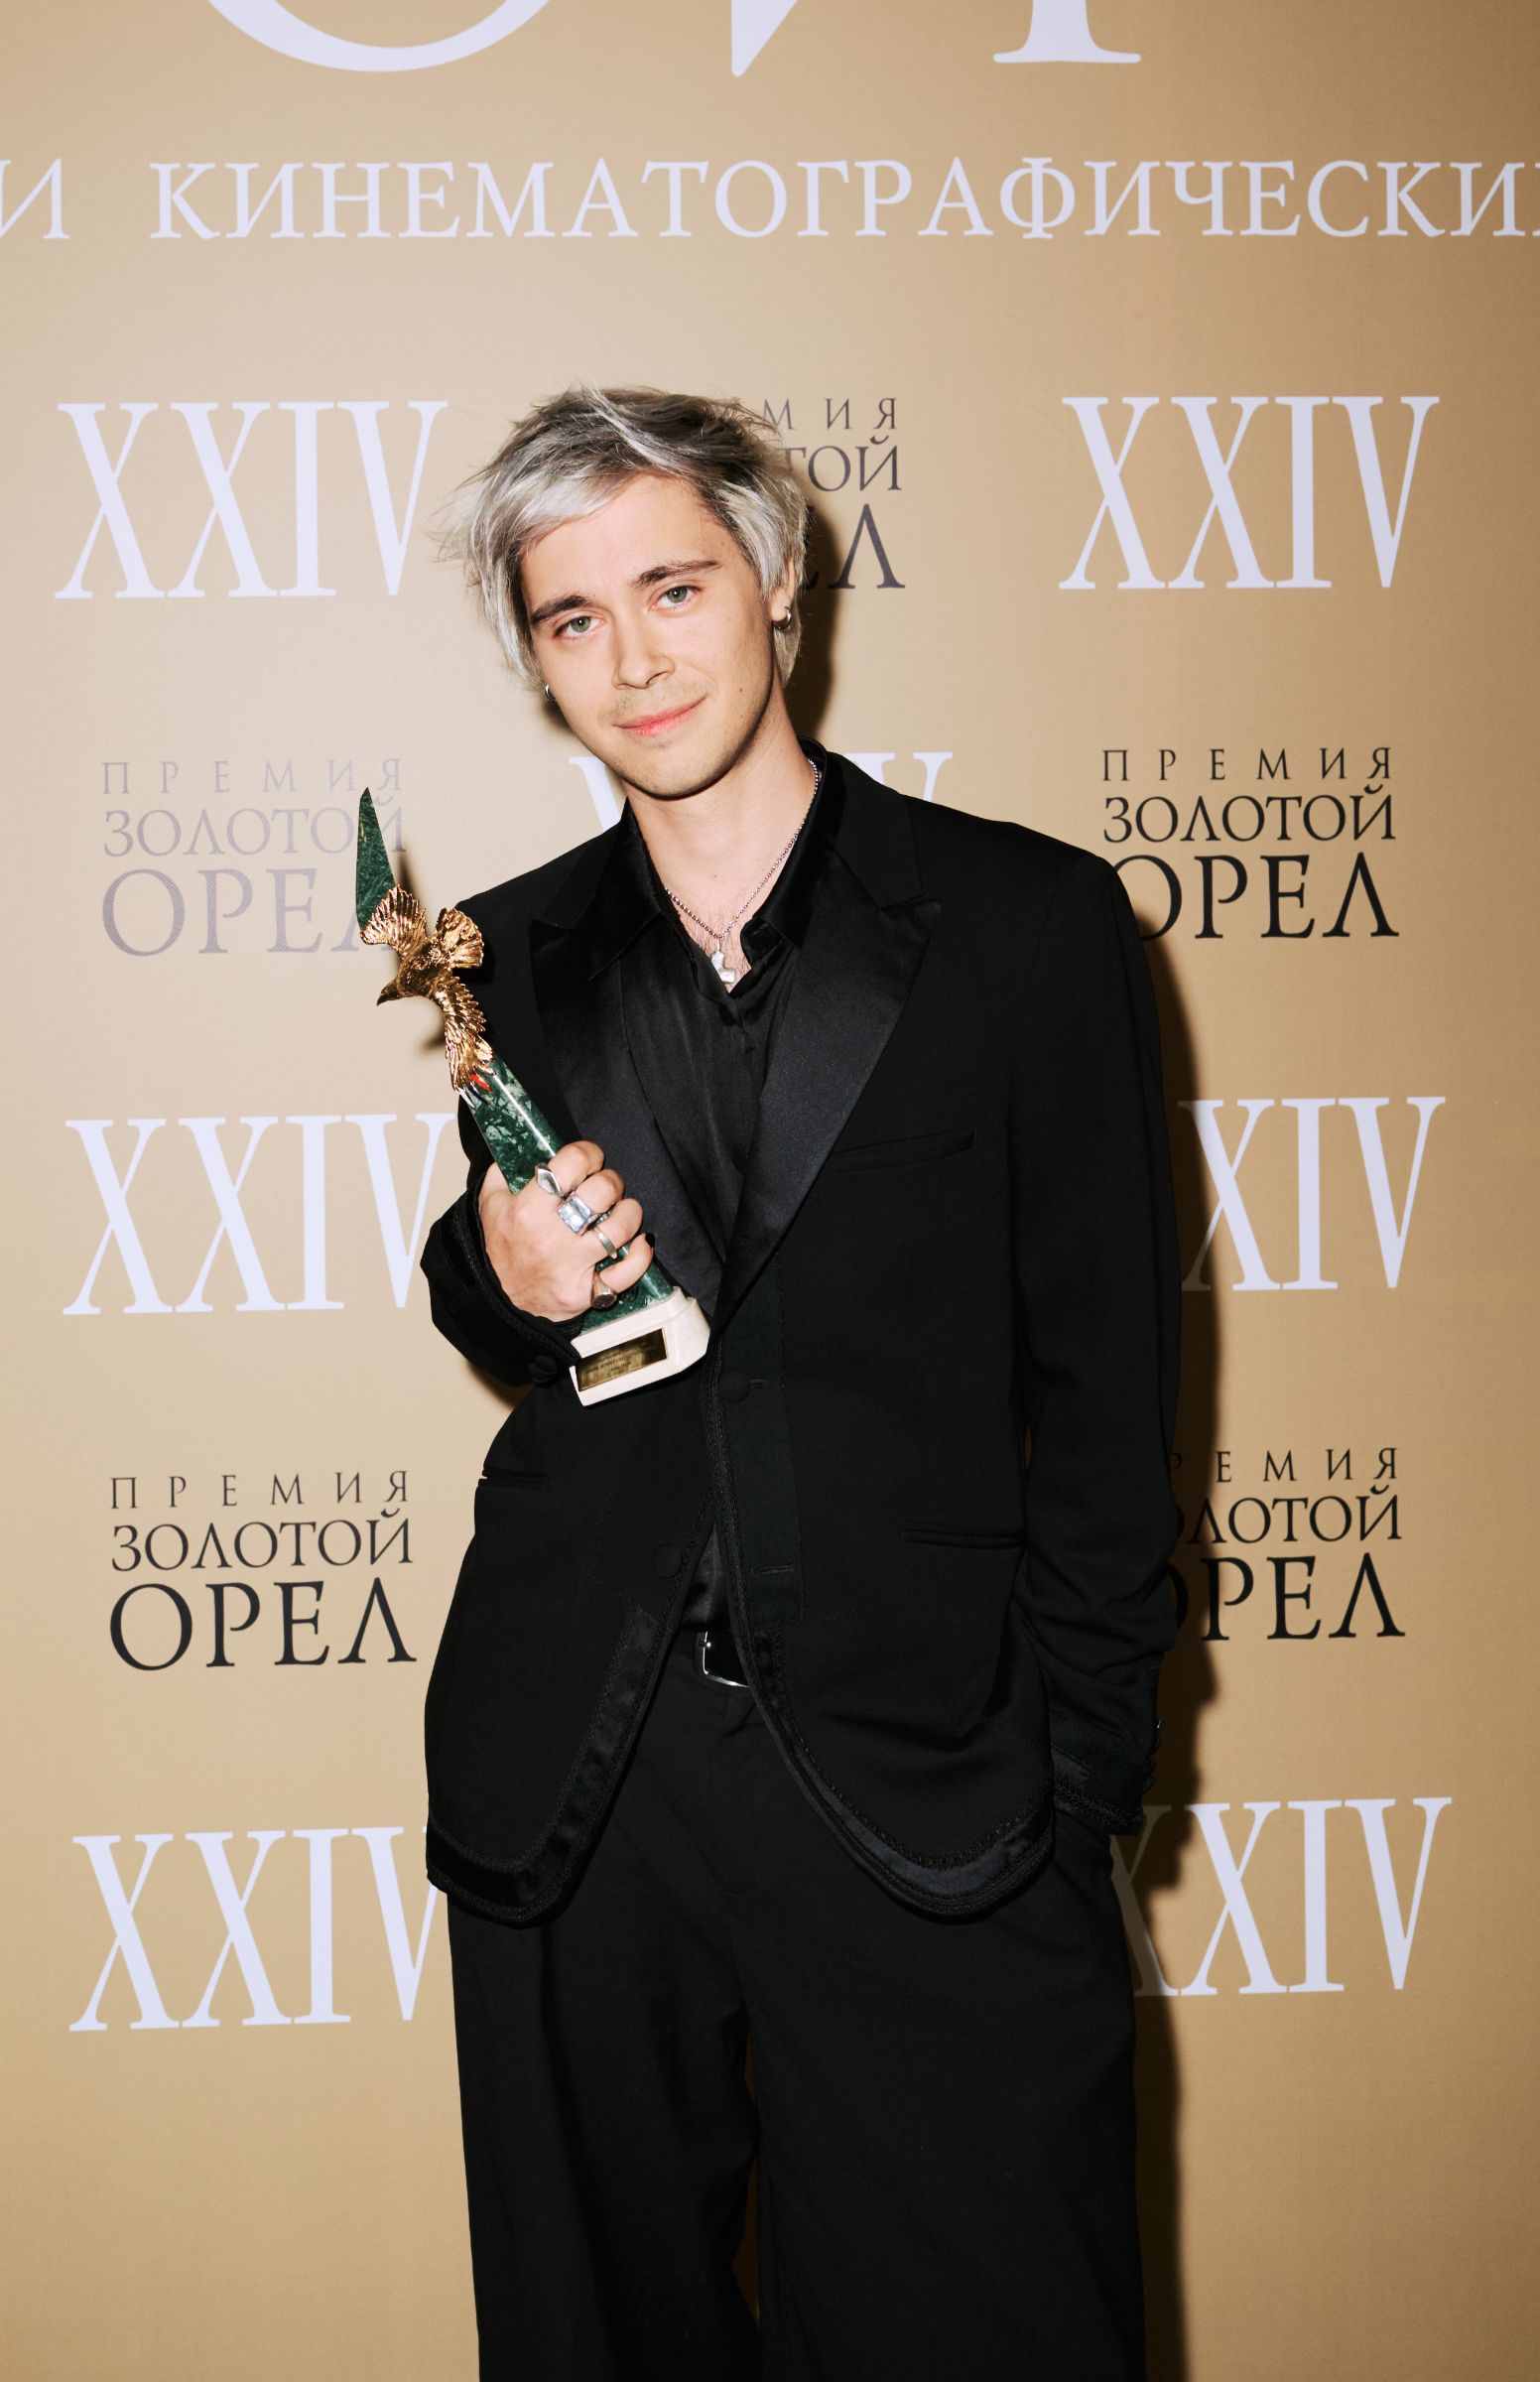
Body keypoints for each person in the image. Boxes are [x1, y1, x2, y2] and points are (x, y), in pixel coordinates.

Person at [419, 384, 1182, 2381]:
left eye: (670, 588)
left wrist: (1075, 1786)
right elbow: (512, 1295)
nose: (632, 657)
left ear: (773, 579)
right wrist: (500, 1276)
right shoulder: (506, 951)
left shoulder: (1024, 925)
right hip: (582, 1785)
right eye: (573, 618)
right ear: (537, 663)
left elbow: (1110, 1397)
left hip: (928, 1772)